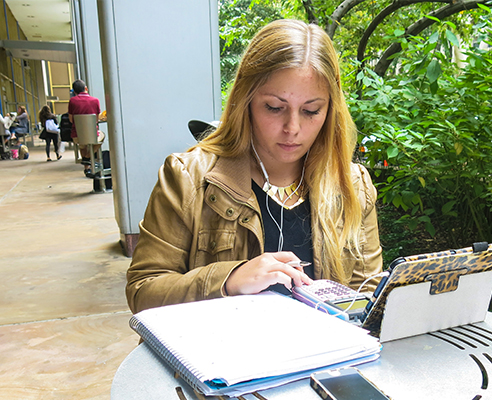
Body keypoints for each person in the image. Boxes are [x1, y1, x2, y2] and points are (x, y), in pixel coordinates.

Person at [126, 19, 383, 314]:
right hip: (221, 354)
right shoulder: (188, 178)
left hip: (325, 358)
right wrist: (229, 280)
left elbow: (369, 297)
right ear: (245, 100)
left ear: (330, 110)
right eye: (274, 107)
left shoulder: (352, 186)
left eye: (311, 111)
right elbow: (143, 291)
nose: (293, 128)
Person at [67, 79, 101, 175]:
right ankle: (87, 158)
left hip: (77, 135)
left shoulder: (72, 101)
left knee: (83, 145)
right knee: (101, 137)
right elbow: (96, 120)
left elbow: (71, 119)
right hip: (92, 134)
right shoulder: (95, 100)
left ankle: (87, 167)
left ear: (74, 92)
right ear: (86, 88)